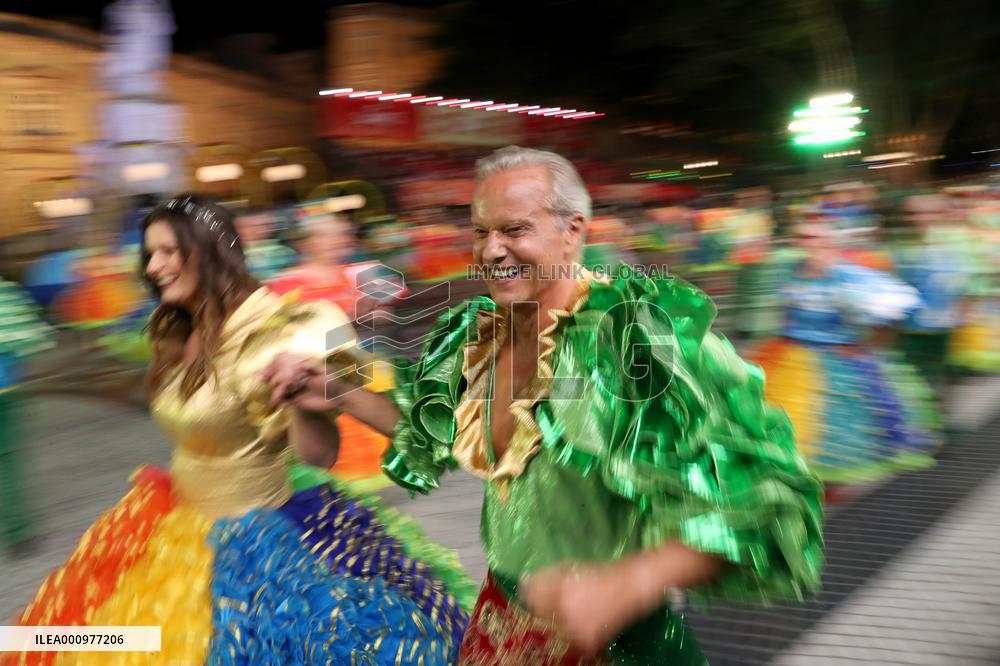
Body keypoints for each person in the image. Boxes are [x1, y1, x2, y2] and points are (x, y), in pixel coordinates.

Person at [266, 147, 825, 664]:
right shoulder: (475, 334)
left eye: (514, 229)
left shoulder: (638, 339)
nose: (490, 250)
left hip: (618, 647)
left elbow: (769, 501)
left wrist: (629, 583)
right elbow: (429, 430)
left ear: (572, 231)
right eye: (480, 231)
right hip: (499, 628)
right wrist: (338, 390)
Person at [6, 195, 473, 665]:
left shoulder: (294, 327)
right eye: (149, 253)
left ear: (211, 249)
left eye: (169, 251)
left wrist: (312, 396)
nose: (153, 266)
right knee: (88, 640)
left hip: (263, 543)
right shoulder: (173, 327)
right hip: (174, 522)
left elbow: (325, 449)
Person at [750, 219, 940, 487]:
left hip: (834, 361)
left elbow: (895, 307)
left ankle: (822, 485)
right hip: (790, 356)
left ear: (830, 242)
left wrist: (864, 345)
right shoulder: (791, 271)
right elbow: (784, 311)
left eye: (815, 238)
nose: (808, 243)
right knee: (782, 421)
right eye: (803, 237)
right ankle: (793, 481)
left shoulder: (848, 275)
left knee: (833, 433)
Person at [0, 278, 54, 555]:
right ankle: (19, 534)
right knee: (8, 461)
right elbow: (33, 337)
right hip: (7, 390)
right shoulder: (6, 295)